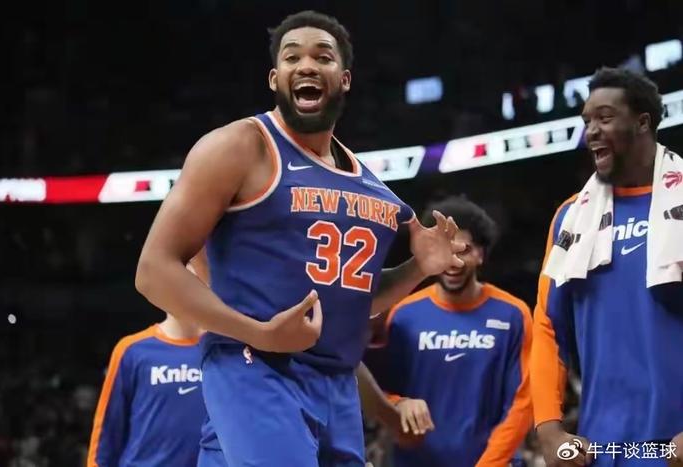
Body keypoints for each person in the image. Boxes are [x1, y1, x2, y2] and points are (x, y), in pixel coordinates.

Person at [134, 10, 464, 467]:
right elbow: (153, 271)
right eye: (292, 57)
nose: (306, 65)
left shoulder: (370, 186)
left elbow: (352, 302)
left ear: (344, 79)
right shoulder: (239, 146)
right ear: (275, 78)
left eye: (322, 57)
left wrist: (418, 269)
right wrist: (260, 334)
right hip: (255, 366)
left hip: (338, 383)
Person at [531, 67, 683, 467]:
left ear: (642, 122)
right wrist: (548, 429)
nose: (591, 132)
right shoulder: (569, 217)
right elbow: (547, 326)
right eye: (587, 122)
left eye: (605, 118)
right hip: (602, 448)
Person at [363, 197, 533, 467]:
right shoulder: (403, 313)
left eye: (463, 250)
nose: (453, 262)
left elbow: (523, 401)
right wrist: (399, 403)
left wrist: (492, 463)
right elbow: (378, 387)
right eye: (445, 250)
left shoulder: (513, 314)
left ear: (481, 254)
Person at [87, 261, 209, 467]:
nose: (182, 291)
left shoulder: (221, 351)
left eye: (192, 282)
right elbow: (106, 432)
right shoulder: (132, 350)